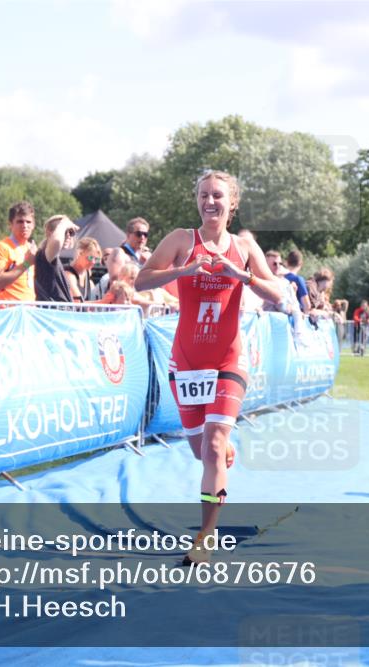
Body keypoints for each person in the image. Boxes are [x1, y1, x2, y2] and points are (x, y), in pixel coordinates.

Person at [134, 170, 285, 565]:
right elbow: (140, 280)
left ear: (231, 203)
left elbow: (278, 294)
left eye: (218, 195)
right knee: (203, 451)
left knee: (214, 447)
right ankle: (222, 445)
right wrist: (182, 271)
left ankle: (205, 536)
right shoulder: (182, 240)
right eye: (204, 195)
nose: (210, 202)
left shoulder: (244, 246)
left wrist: (244, 276)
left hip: (228, 359)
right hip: (186, 361)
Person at [0, 201, 38, 302]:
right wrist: (27, 263)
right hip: (7, 312)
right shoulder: (1, 247)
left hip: (29, 310)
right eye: (20, 221)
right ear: (10, 224)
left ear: (33, 225)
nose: (25, 225)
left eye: (28, 222)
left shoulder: (32, 248)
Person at [34, 215, 79, 302]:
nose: (68, 235)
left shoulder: (53, 256)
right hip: (51, 313)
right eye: (65, 231)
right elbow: (57, 241)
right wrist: (64, 223)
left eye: (71, 232)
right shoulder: (44, 254)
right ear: (49, 233)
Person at [66, 238, 101, 302]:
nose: (93, 262)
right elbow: (78, 302)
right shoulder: (68, 275)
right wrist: (103, 302)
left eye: (96, 259)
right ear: (80, 253)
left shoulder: (88, 275)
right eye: (90, 258)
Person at [283, 249, 311, 314]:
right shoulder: (298, 280)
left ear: (287, 262)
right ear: (301, 263)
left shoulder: (280, 278)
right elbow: (306, 305)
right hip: (294, 316)